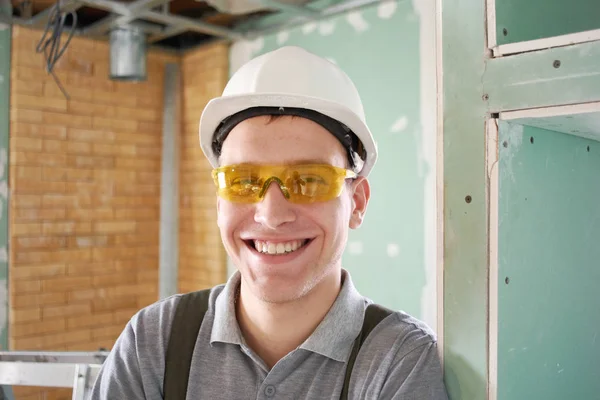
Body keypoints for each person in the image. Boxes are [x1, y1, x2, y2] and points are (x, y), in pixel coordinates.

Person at [90, 46, 448, 399]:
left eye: (310, 180)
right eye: (243, 181)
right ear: (219, 203)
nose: (272, 215)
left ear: (356, 202)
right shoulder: (154, 343)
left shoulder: (398, 362)